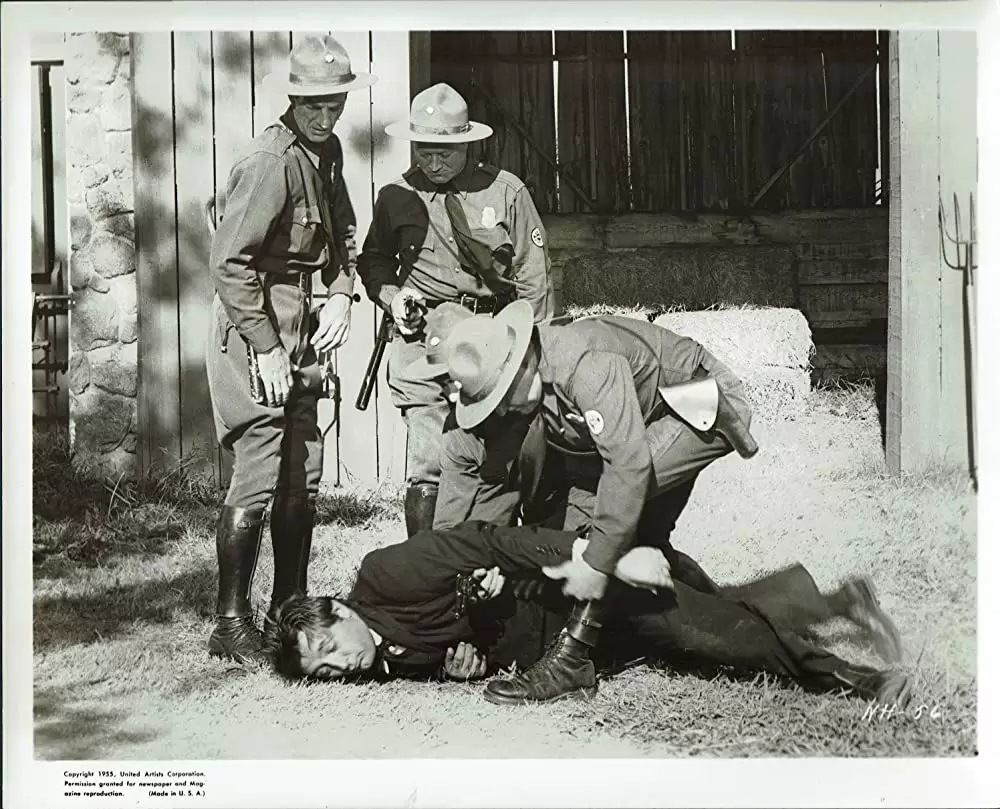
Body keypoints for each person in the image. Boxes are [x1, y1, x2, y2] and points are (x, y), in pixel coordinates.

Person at [410, 302, 903, 704]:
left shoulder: (585, 364)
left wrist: (594, 560)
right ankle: (824, 604)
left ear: (517, 372)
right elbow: (480, 517)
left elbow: (627, 468)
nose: (492, 413)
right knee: (642, 566)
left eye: (496, 399)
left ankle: (574, 657)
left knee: (603, 539)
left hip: (694, 405)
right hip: (637, 429)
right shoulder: (525, 384)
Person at [264, 519, 912, 711]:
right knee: (712, 625)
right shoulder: (380, 669)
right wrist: (466, 671)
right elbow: (468, 645)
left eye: (326, 645)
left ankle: (857, 678)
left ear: (338, 606)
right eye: (323, 672)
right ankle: (835, 601)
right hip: (580, 647)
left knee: (716, 637)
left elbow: (494, 539)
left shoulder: (386, 572)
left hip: (581, 592)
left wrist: (593, 558)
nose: (337, 666)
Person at [204, 35, 377, 663]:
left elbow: (341, 236)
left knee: (302, 469)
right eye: (314, 105)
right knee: (260, 460)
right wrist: (267, 348)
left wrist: (341, 295)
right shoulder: (269, 161)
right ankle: (230, 621)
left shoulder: (324, 155)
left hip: (304, 328)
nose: (325, 116)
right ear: (293, 98)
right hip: (258, 327)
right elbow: (229, 263)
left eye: (334, 104)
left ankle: (289, 609)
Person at [357, 82, 556, 539]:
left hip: (489, 340)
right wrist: (392, 296)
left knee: (498, 459)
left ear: (468, 143)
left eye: (444, 152)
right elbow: (374, 260)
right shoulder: (396, 196)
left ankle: (494, 560)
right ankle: (424, 573)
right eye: (423, 151)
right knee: (427, 462)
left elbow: (533, 276)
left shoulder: (505, 193)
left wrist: (535, 353)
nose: (432, 162)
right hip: (422, 338)